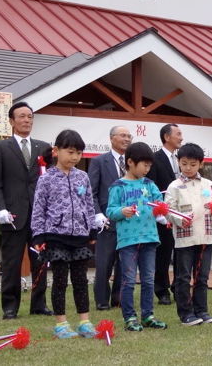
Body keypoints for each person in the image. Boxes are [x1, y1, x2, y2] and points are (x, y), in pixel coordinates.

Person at [31, 130, 99, 339]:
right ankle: (61, 323)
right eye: (70, 152)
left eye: (78, 153)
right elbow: (39, 208)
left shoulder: (83, 177)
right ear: (56, 151)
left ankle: (85, 321)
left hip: (80, 236)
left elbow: (88, 205)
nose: (74, 157)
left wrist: (92, 227)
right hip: (55, 236)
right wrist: (38, 235)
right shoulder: (46, 179)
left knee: (81, 281)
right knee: (59, 281)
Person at [0, 101, 52, 319]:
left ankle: (39, 304)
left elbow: (49, 181)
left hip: (39, 215)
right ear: (12, 121)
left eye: (30, 117)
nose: (27, 120)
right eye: (22, 116)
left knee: (40, 261)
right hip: (13, 215)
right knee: (12, 263)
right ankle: (10, 306)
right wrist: (0, 210)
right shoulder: (1, 148)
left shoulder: (43, 147)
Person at [164, 143, 212, 326]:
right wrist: (178, 220)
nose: (188, 168)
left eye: (192, 164)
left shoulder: (208, 184)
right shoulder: (174, 186)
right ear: (178, 163)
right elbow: (168, 210)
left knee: (202, 276)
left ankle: (202, 310)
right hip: (185, 238)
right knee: (183, 277)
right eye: (184, 164)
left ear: (201, 163)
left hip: (206, 236)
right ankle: (186, 313)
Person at [107, 142, 168, 332]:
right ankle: (130, 317)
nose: (147, 170)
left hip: (149, 238)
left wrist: (163, 211)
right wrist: (121, 211)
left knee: (149, 279)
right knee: (129, 279)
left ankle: (148, 315)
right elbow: (110, 211)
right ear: (131, 162)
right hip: (128, 241)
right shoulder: (118, 186)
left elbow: (161, 204)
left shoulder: (150, 185)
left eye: (150, 166)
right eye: (145, 165)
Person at [89, 126, 131, 311]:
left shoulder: (132, 163)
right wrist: (97, 213)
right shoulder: (99, 161)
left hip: (128, 221)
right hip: (105, 221)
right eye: (123, 135)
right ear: (112, 138)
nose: (127, 139)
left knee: (124, 264)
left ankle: (119, 298)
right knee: (104, 263)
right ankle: (102, 300)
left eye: (129, 136)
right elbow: (91, 192)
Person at [147, 123, 183, 306]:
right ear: (166, 137)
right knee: (163, 252)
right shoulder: (155, 158)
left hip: (181, 213)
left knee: (181, 251)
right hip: (162, 214)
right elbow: (151, 186)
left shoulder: (182, 159)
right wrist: (159, 212)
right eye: (178, 134)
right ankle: (161, 290)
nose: (181, 137)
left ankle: (179, 288)